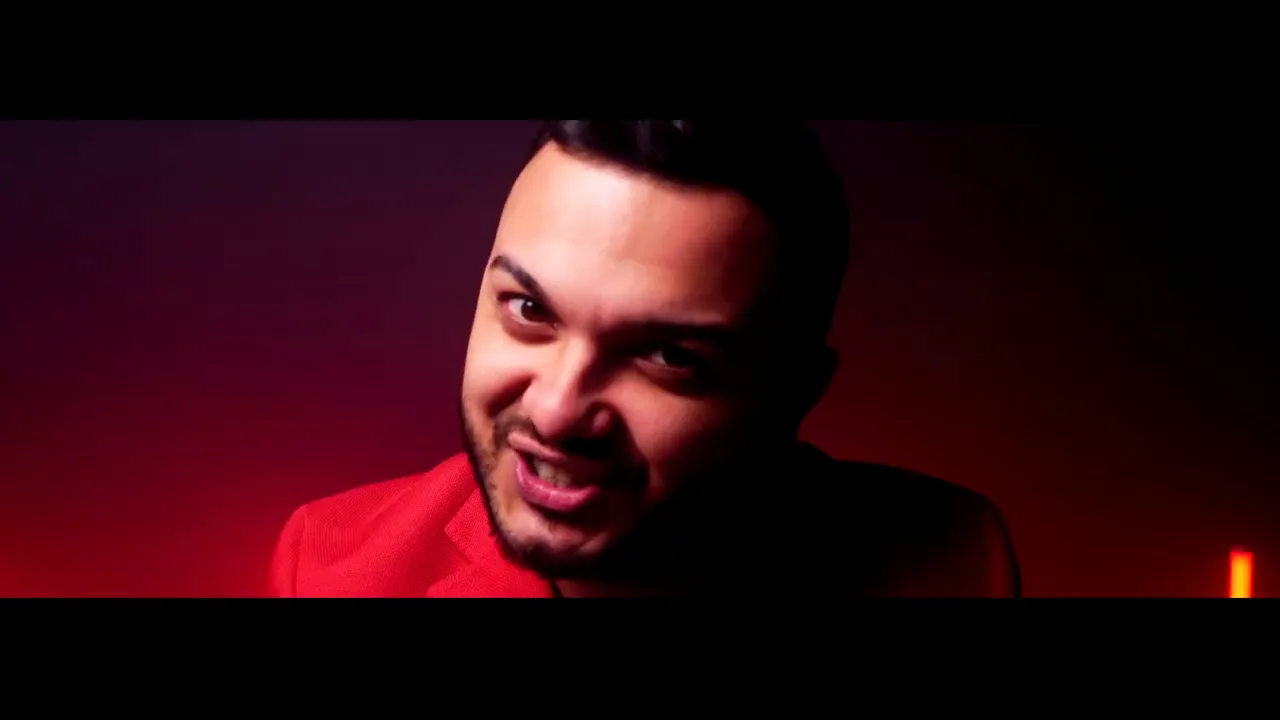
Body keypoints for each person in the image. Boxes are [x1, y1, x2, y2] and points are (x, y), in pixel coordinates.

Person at [268, 120, 1021, 598]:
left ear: (795, 394)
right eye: (530, 311)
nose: (557, 411)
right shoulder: (334, 572)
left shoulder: (955, 564)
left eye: (666, 355)